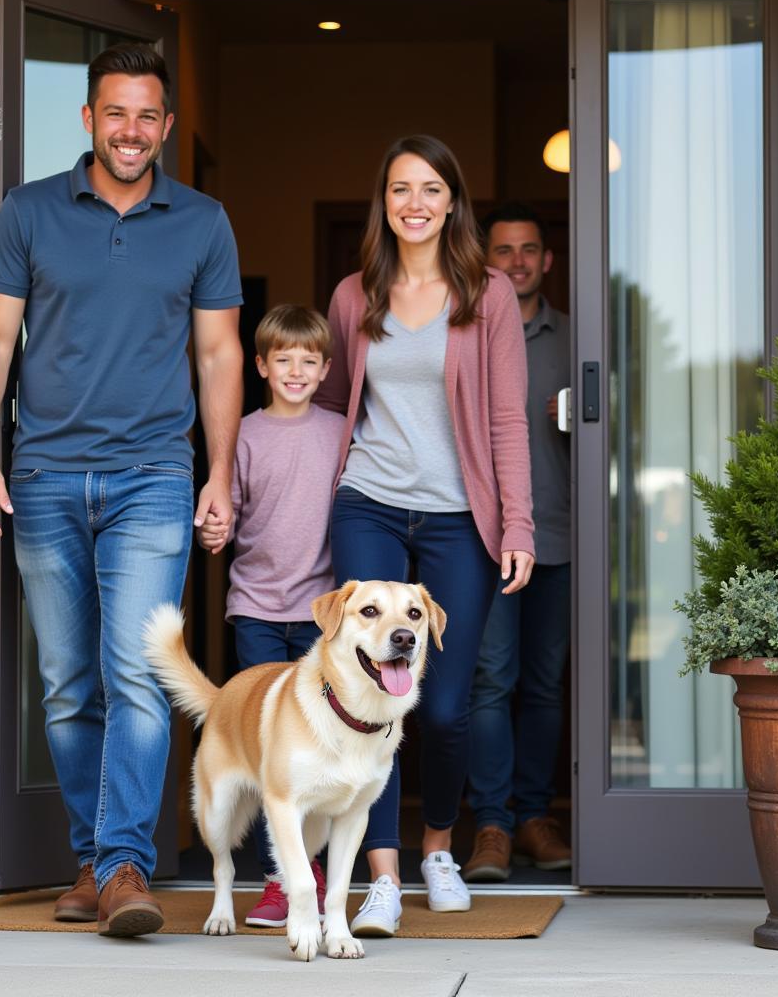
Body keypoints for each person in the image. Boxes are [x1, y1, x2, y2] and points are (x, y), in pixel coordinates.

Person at [0, 43, 243, 938]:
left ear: (165, 124)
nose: (131, 130)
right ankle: (91, 858)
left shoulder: (201, 221)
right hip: (41, 475)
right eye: (114, 113)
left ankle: (124, 865)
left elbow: (219, 354)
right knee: (67, 684)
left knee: (137, 674)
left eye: (147, 116)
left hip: (154, 474)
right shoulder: (30, 211)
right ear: (89, 119)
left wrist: (221, 472)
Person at [316, 135, 535, 937]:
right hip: (367, 503)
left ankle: (437, 846)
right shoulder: (353, 294)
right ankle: (380, 874)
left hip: (456, 519)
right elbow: (335, 407)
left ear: (452, 203)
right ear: (385, 201)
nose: (415, 203)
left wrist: (517, 522)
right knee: (364, 699)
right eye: (401, 188)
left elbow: (509, 417)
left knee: (441, 708)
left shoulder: (489, 294)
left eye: (431, 189)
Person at [198, 303, 346, 928]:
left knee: (323, 743)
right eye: (282, 360)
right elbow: (223, 505)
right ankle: (280, 882)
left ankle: (316, 867)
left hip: (323, 616)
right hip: (257, 608)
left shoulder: (341, 431)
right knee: (271, 750)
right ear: (259, 365)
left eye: (308, 361)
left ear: (325, 369)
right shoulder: (246, 433)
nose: (294, 370)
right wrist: (213, 526)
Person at [462, 204, 572, 882]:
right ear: (485, 260)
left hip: (562, 532)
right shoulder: (469, 334)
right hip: (489, 536)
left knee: (546, 686)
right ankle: (493, 825)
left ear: (547, 260)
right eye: (503, 250)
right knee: (488, 680)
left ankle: (534, 817)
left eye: (528, 249)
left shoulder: (578, 339)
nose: (517, 261)